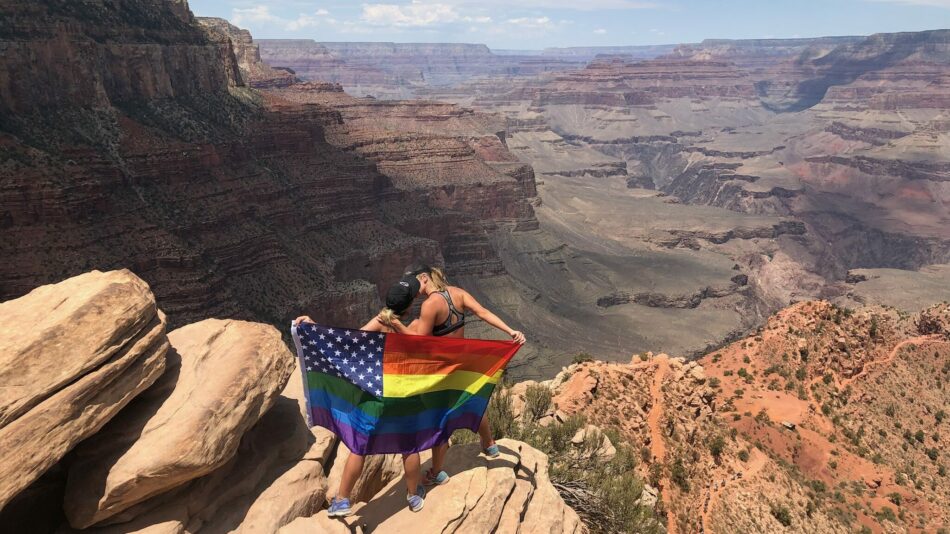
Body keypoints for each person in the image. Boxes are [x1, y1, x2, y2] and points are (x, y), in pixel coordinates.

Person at [294, 275, 428, 517]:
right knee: (410, 445)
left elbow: (349, 342)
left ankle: (342, 500)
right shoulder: (417, 326)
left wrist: (313, 327)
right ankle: (413, 495)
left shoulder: (380, 321)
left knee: (359, 446)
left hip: (375, 392)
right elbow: (422, 348)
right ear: (409, 306)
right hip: (405, 394)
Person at [381, 264, 526, 487]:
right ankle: (489, 444)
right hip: (461, 362)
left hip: (441, 369)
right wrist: (510, 331)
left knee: (440, 420)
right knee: (471, 402)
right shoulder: (458, 293)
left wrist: (397, 323)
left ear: (425, 278)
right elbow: (483, 312)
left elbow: (419, 342)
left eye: (416, 283)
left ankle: (437, 472)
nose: (414, 290)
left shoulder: (430, 305)